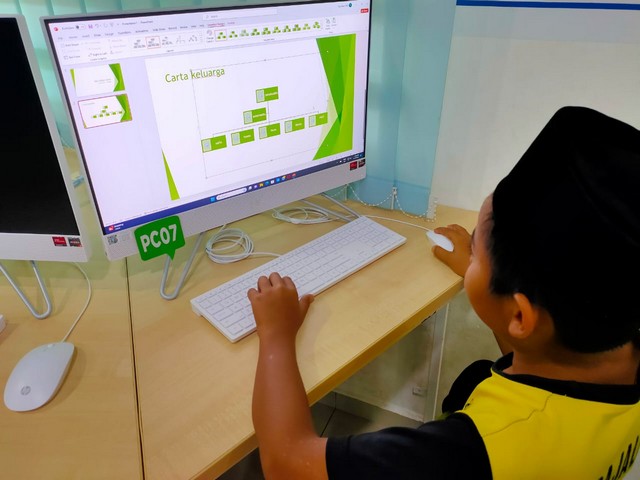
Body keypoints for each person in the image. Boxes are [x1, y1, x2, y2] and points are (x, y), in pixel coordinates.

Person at [248, 106, 640, 479]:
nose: (470, 255)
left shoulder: (469, 454)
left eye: (477, 250)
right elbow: (542, 350)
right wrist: (481, 275)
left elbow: (286, 464)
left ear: (521, 315)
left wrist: (276, 336)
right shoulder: (622, 348)